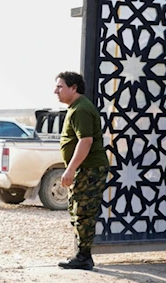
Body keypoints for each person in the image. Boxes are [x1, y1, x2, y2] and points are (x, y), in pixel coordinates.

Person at [54, 71, 109, 270]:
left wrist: (70, 170)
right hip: (85, 169)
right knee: (78, 210)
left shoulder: (81, 109)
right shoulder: (76, 107)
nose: (55, 91)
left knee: (84, 212)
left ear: (74, 87)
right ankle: (82, 254)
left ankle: (84, 257)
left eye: (60, 87)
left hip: (89, 169)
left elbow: (85, 141)